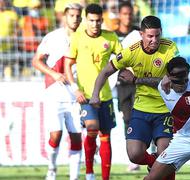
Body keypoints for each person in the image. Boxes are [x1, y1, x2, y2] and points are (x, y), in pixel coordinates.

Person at [89, 15, 179, 180]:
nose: (154, 40)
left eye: (158, 35)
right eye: (150, 36)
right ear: (141, 34)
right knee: (134, 155)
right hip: (141, 109)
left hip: (165, 109)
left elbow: (172, 81)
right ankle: (153, 162)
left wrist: (137, 80)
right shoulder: (131, 52)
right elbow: (105, 71)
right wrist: (95, 94)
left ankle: (159, 165)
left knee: (166, 155)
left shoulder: (170, 48)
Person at [64, 3, 122, 180]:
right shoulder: (77, 38)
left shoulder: (110, 38)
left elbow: (123, 58)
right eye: (91, 20)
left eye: (98, 21)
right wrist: (75, 89)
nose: (95, 24)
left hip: (105, 95)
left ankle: (105, 177)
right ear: (86, 20)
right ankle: (89, 172)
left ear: (102, 20)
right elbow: (67, 64)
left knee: (105, 135)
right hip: (86, 97)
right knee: (92, 128)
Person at [31, 3, 83, 180]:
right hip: (55, 93)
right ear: (64, 17)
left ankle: (74, 177)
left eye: (78, 15)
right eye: (72, 15)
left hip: (77, 95)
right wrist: (53, 73)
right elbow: (36, 61)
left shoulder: (85, 38)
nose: (75, 18)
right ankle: (52, 168)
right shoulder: (53, 37)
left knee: (77, 137)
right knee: (56, 134)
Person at [114, 1, 141, 172]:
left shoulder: (139, 32)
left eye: (130, 14)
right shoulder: (112, 35)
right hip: (122, 84)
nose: (127, 16)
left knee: (142, 117)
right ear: (119, 15)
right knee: (127, 119)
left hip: (139, 82)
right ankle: (133, 157)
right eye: (124, 14)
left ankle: (145, 154)